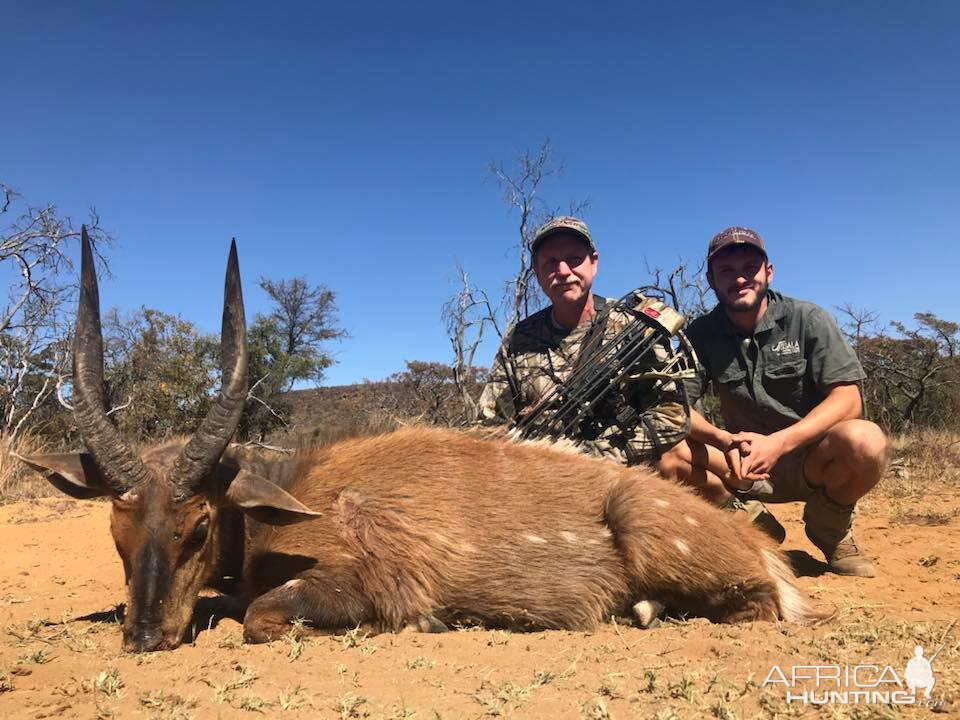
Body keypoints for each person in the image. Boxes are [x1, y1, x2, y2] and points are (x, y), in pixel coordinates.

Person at [658, 226, 888, 576]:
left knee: (865, 440)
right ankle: (751, 524)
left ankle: (830, 527)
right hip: (741, 464)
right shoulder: (699, 334)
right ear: (710, 279)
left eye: (750, 267)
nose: (739, 279)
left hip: (809, 458)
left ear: (768, 271)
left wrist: (779, 443)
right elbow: (678, 407)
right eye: (727, 271)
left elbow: (848, 398)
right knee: (666, 452)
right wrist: (724, 440)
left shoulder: (807, 318)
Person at [478, 216, 690, 466]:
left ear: (594, 263)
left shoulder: (637, 326)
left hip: (619, 476)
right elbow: (489, 427)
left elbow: (673, 415)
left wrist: (594, 459)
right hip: (535, 475)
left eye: (574, 259)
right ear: (537, 273)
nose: (563, 271)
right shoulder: (518, 339)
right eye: (551, 262)